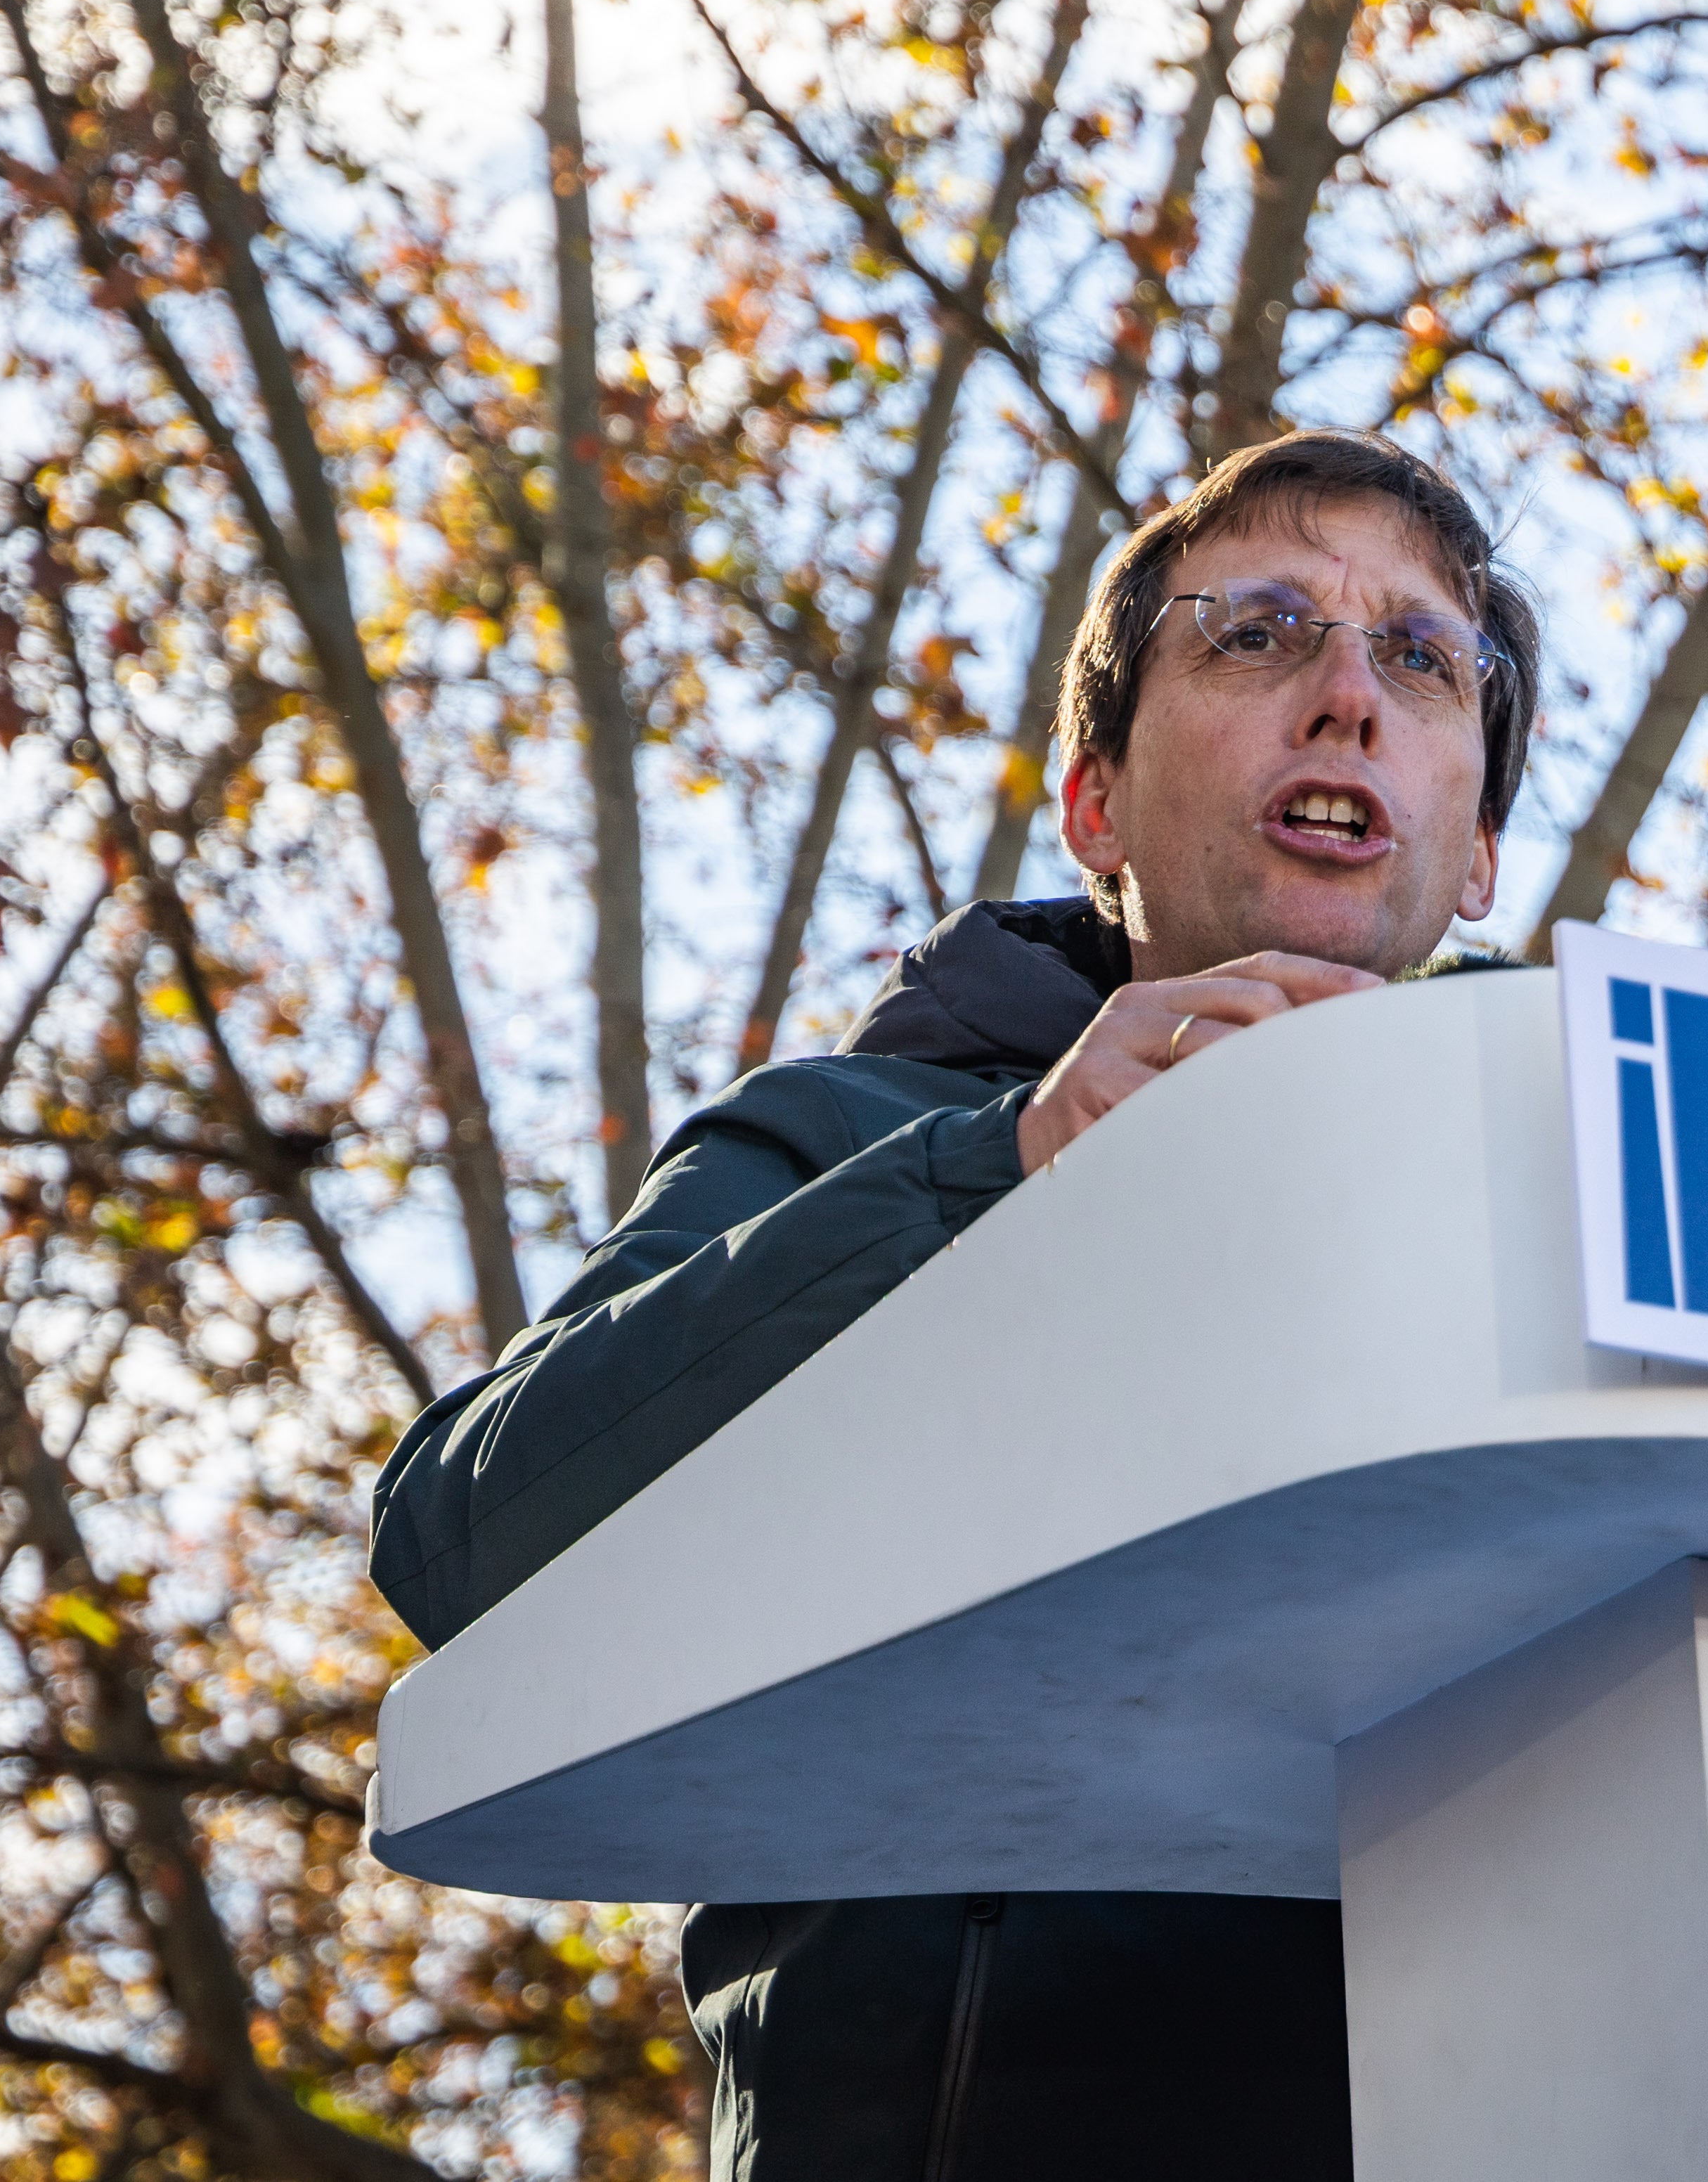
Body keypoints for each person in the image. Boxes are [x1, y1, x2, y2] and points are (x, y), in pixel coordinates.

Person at [370, 430, 1540, 2178]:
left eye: (1420, 658)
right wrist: (1000, 1178)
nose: (1346, 698)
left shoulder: (1582, 1213)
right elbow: (467, 1537)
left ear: (1476, 865)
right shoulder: (851, 1145)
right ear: (1094, 806)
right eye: (1259, 632)